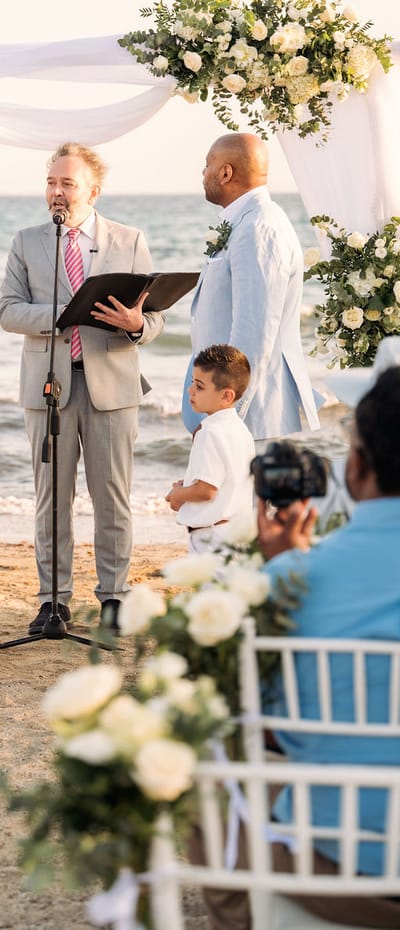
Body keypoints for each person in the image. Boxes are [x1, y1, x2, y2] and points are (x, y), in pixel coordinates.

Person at [200, 364, 400, 929]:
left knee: (208, 800)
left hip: (337, 868)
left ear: (357, 467)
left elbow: (259, 726)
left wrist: (283, 568)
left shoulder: (287, 586)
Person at [0, 143, 165, 634]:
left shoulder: (130, 240)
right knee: (51, 499)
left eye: (66, 184)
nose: (56, 192)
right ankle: (53, 601)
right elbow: (8, 310)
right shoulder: (26, 242)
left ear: (93, 189)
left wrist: (136, 324)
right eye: (50, 182)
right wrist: (63, 316)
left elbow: (153, 317)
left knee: (113, 496)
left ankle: (114, 598)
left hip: (112, 387)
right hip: (47, 388)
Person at [184, 132, 320, 441]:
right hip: (237, 412)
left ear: (225, 172)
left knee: (247, 491)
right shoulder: (248, 221)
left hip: (251, 419)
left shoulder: (259, 228)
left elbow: (254, 331)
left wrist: (227, 417)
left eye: (208, 165)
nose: (203, 173)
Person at [165, 344, 255, 554]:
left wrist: (178, 495)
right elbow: (225, 481)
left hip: (211, 538)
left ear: (226, 396)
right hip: (237, 532)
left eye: (199, 386)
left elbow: (206, 491)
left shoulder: (210, 433)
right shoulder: (241, 430)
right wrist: (188, 484)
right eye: (192, 383)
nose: (190, 390)